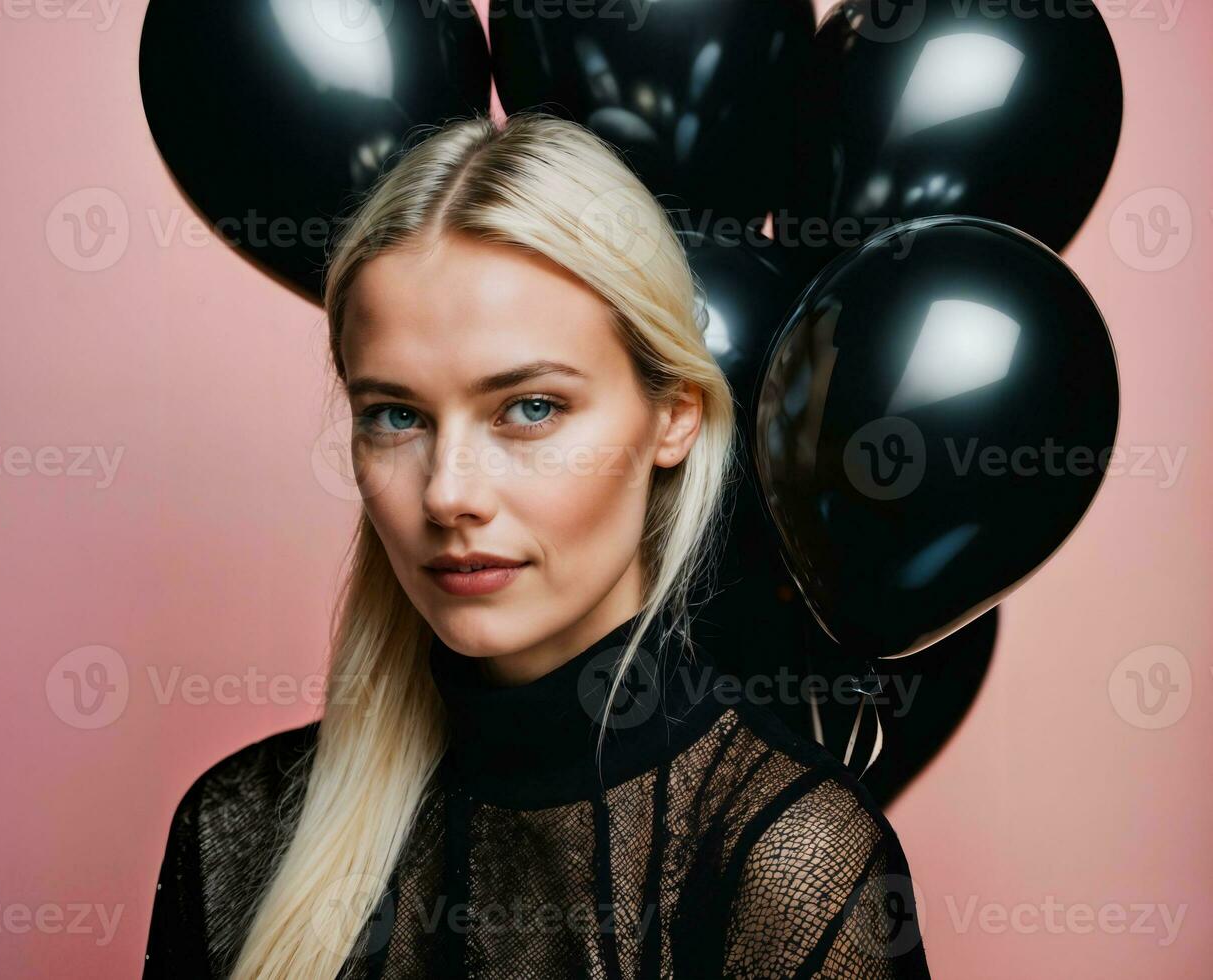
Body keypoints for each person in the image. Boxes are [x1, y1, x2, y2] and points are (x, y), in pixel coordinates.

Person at [143, 111, 933, 980]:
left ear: (674, 417)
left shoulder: (783, 860)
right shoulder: (237, 834)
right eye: (396, 416)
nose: (448, 493)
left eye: (530, 408)